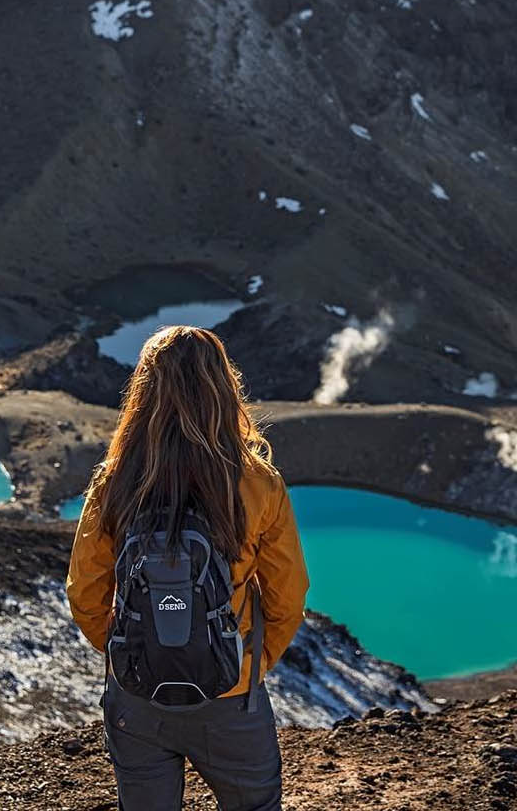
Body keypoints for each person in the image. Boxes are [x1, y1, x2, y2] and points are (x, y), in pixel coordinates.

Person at [67, 325, 309, 811]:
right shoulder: (257, 481)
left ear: (144, 391)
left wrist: (133, 653)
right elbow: (288, 594)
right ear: (223, 387)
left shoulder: (115, 480)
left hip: (136, 697)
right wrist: (249, 666)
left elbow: (85, 593)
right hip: (229, 692)